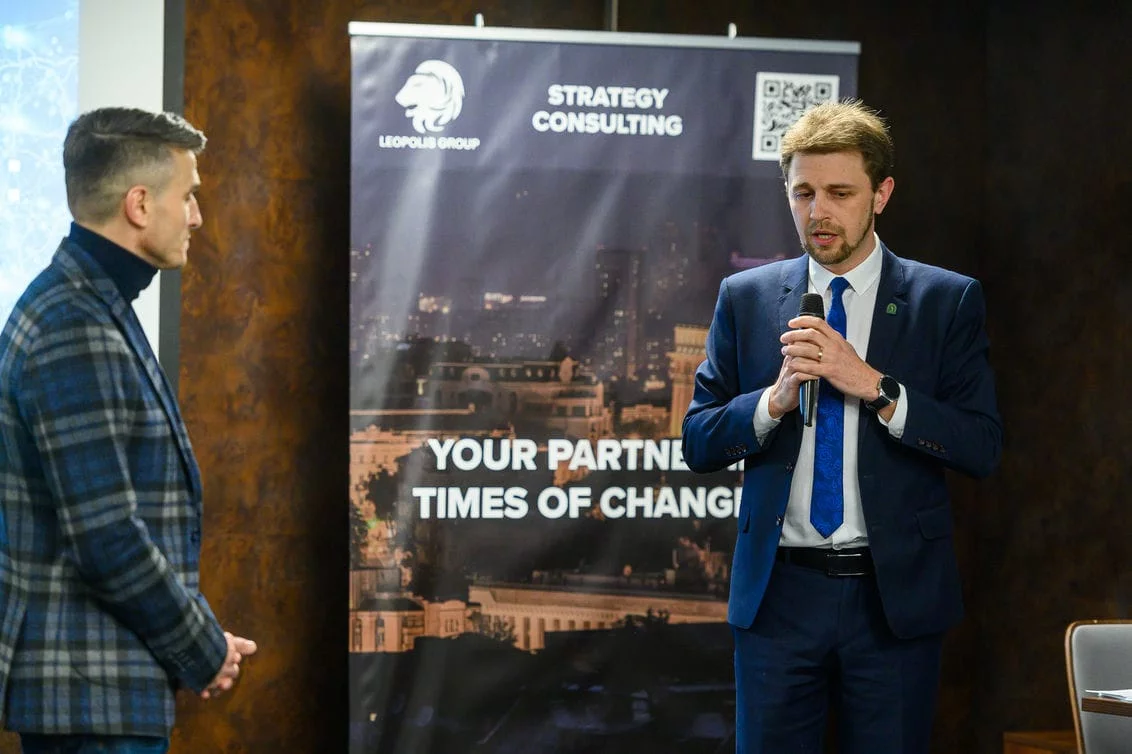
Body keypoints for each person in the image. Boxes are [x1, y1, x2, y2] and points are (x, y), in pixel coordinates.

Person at [682, 100, 1002, 753]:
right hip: (778, 598)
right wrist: (772, 402)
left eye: (840, 193)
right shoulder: (745, 298)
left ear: (881, 194)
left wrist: (875, 387)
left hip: (892, 599)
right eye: (803, 193)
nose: (818, 212)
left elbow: (981, 444)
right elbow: (698, 440)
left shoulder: (945, 301)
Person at [0, 107, 257, 754]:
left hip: (97, 698)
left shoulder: (86, 304)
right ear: (140, 205)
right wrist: (204, 647)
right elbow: (106, 536)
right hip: (90, 705)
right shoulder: (73, 324)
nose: (196, 216)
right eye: (188, 195)